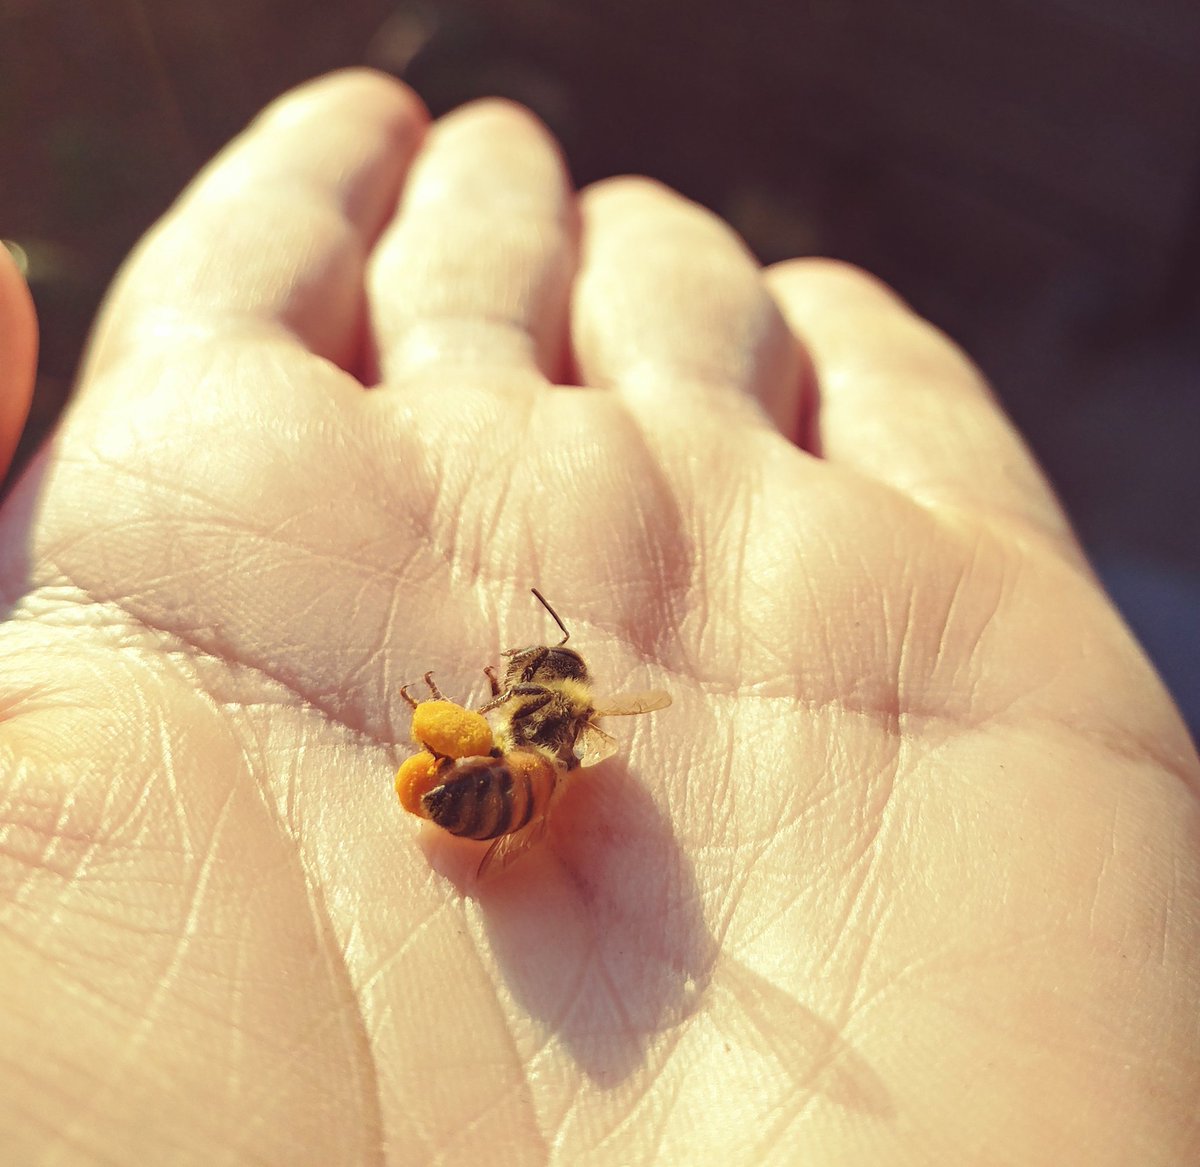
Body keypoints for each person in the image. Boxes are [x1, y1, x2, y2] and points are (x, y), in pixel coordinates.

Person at [0, 69, 1195, 1164]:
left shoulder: (532, 728)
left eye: (518, 676)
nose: (504, 681)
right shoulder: (549, 737)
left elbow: (511, 742)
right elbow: (526, 749)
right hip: (508, 830)